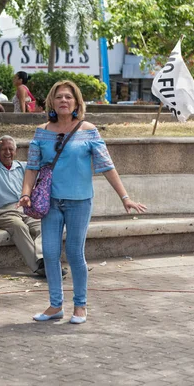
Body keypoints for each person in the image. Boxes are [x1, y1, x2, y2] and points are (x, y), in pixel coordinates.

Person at [17, 80, 146, 324]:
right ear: (51, 102)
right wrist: (26, 193)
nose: (63, 101)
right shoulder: (41, 131)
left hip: (79, 202)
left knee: (75, 253)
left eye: (68, 97)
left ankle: (80, 305)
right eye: (58, 97)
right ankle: (56, 305)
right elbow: (32, 167)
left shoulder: (89, 130)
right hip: (50, 203)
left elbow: (107, 166)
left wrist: (125, 197)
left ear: (76, 102)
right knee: (51, 253)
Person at [0, 130, 67, 277]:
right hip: (3, 213)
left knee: (47, 225)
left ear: (16, 151)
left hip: (26, 210)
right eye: (3, 149)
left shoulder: (23, 166)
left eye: (10, 149)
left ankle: (44, 260)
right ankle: (40, 266)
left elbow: (45, 169)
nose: (7, 152)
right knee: (18, 226)